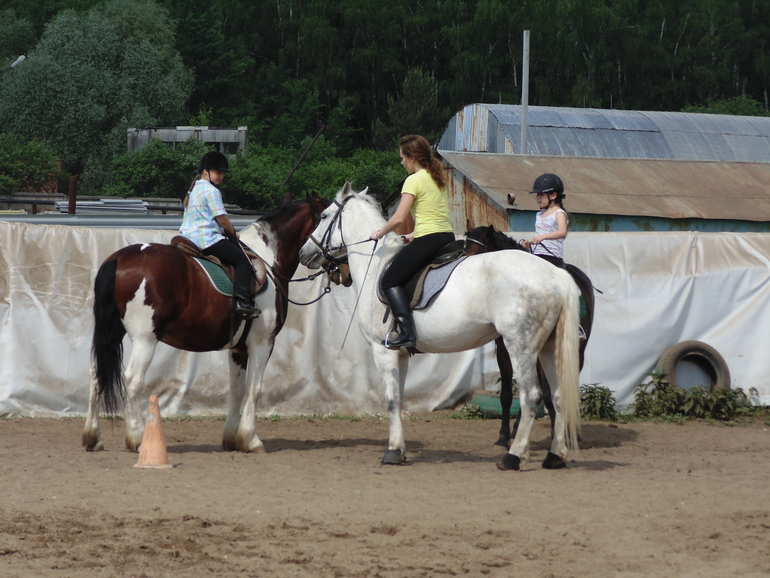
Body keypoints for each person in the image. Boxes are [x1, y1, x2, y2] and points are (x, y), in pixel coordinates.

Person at [369, 135, 455, 349]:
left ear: (412, 158)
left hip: (429, 240)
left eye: (402, 158)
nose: (401, 162)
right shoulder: (437, 178)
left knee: (389, 280)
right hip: (446, 237)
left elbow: (398, 218)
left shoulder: (413, 180)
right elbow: (434, 217)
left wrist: (379, 233)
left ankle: (407, 333)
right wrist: (411, 236)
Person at [179, 151, 258, 318]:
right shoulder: (212, 191)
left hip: (187, 238)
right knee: (243, 261)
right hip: (206, 240)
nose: (221, 176)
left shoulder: (193, 190)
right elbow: (222, 218)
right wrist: (232, 233)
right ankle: (242, 301)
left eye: (222, 173)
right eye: (218, 172)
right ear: (206, 171)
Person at [521, 173, 568, 268]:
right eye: (537, 195)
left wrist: (542, 237)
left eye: (541, 194)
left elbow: (562, 232)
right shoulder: (539, 215)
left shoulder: (559, 213)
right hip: (537, 255)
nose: (538, 198)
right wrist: (529, 245)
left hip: (552, 257)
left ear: (553, 195)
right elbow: (539, 234)